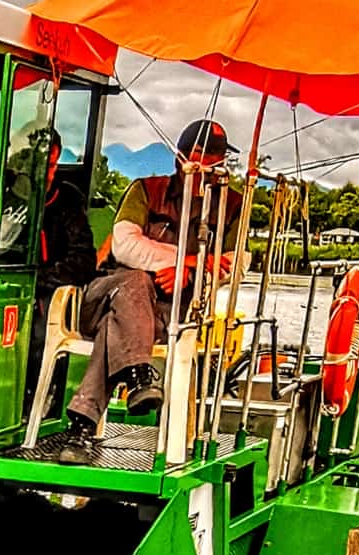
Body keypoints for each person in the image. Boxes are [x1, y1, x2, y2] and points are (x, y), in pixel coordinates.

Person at [66, 118, 240, 443]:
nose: (209, 169)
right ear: (182, 158)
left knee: (117, 325)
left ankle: (83, 425)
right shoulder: (146, 189)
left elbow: (234, 264)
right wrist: (186, 261)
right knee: (134, 281)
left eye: (216, 161)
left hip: (163, 315)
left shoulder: (233, 204)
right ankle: (138, 376)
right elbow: (125, 246)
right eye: (203, 159)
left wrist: (188, 270)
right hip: (105, 294)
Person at [30, 129, 96, 373]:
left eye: (52, 166)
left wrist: (39, 279)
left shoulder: (67, 201)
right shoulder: (2, 197)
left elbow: (84, 261)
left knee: (41, 331)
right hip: (4, 289)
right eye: (43, 166)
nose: (48, 175)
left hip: (50, 296)